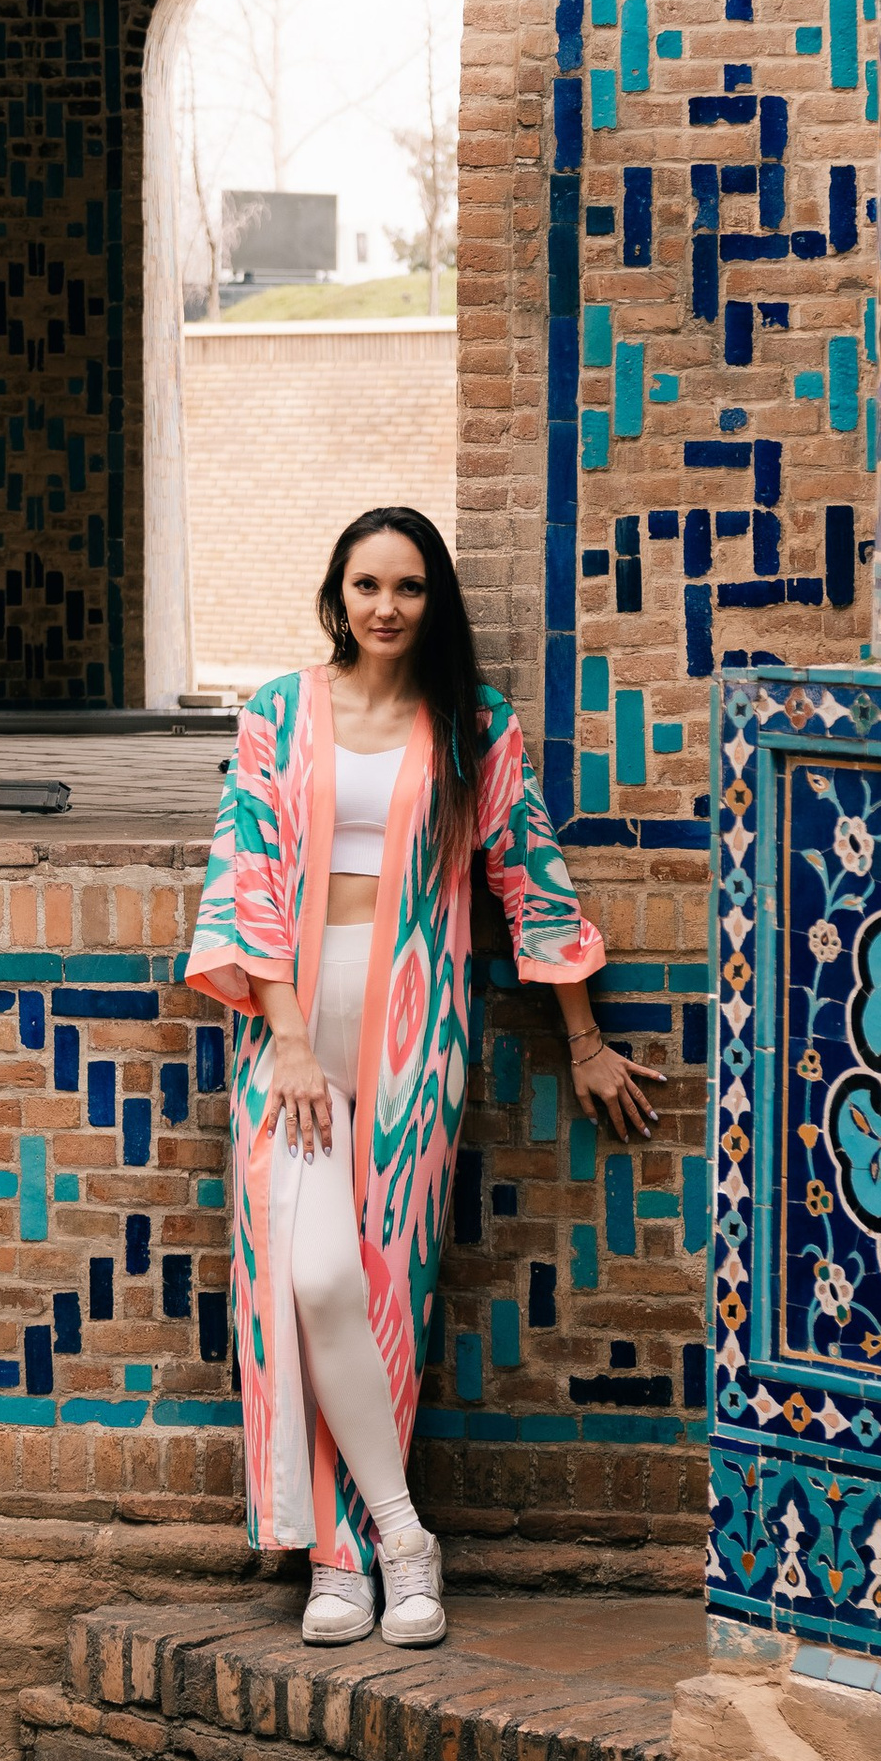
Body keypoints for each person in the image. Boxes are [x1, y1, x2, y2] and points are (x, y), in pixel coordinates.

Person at [187, 507, 661, 1648]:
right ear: (335, 594)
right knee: (310, 1283)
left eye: (407, 585)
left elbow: (529, 881)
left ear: (433, 599)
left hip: (414, 1020)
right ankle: (401, 1532)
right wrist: (288, 1036)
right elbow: (246, 881)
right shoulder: (275, 713)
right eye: (366, 584)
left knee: (384, 1287)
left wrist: (584, 1038)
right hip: (291, 1026)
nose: (385, 606)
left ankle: (351, 1566)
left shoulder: (471, 726)